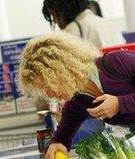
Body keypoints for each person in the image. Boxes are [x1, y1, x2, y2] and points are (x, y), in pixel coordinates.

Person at [41, 0, 125, 146]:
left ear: (59, 10)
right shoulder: (109, 25)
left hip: (97, 111)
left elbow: (59, 75)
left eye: (53, 16)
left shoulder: (72, 30)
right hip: (122, 105)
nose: (56, 22)